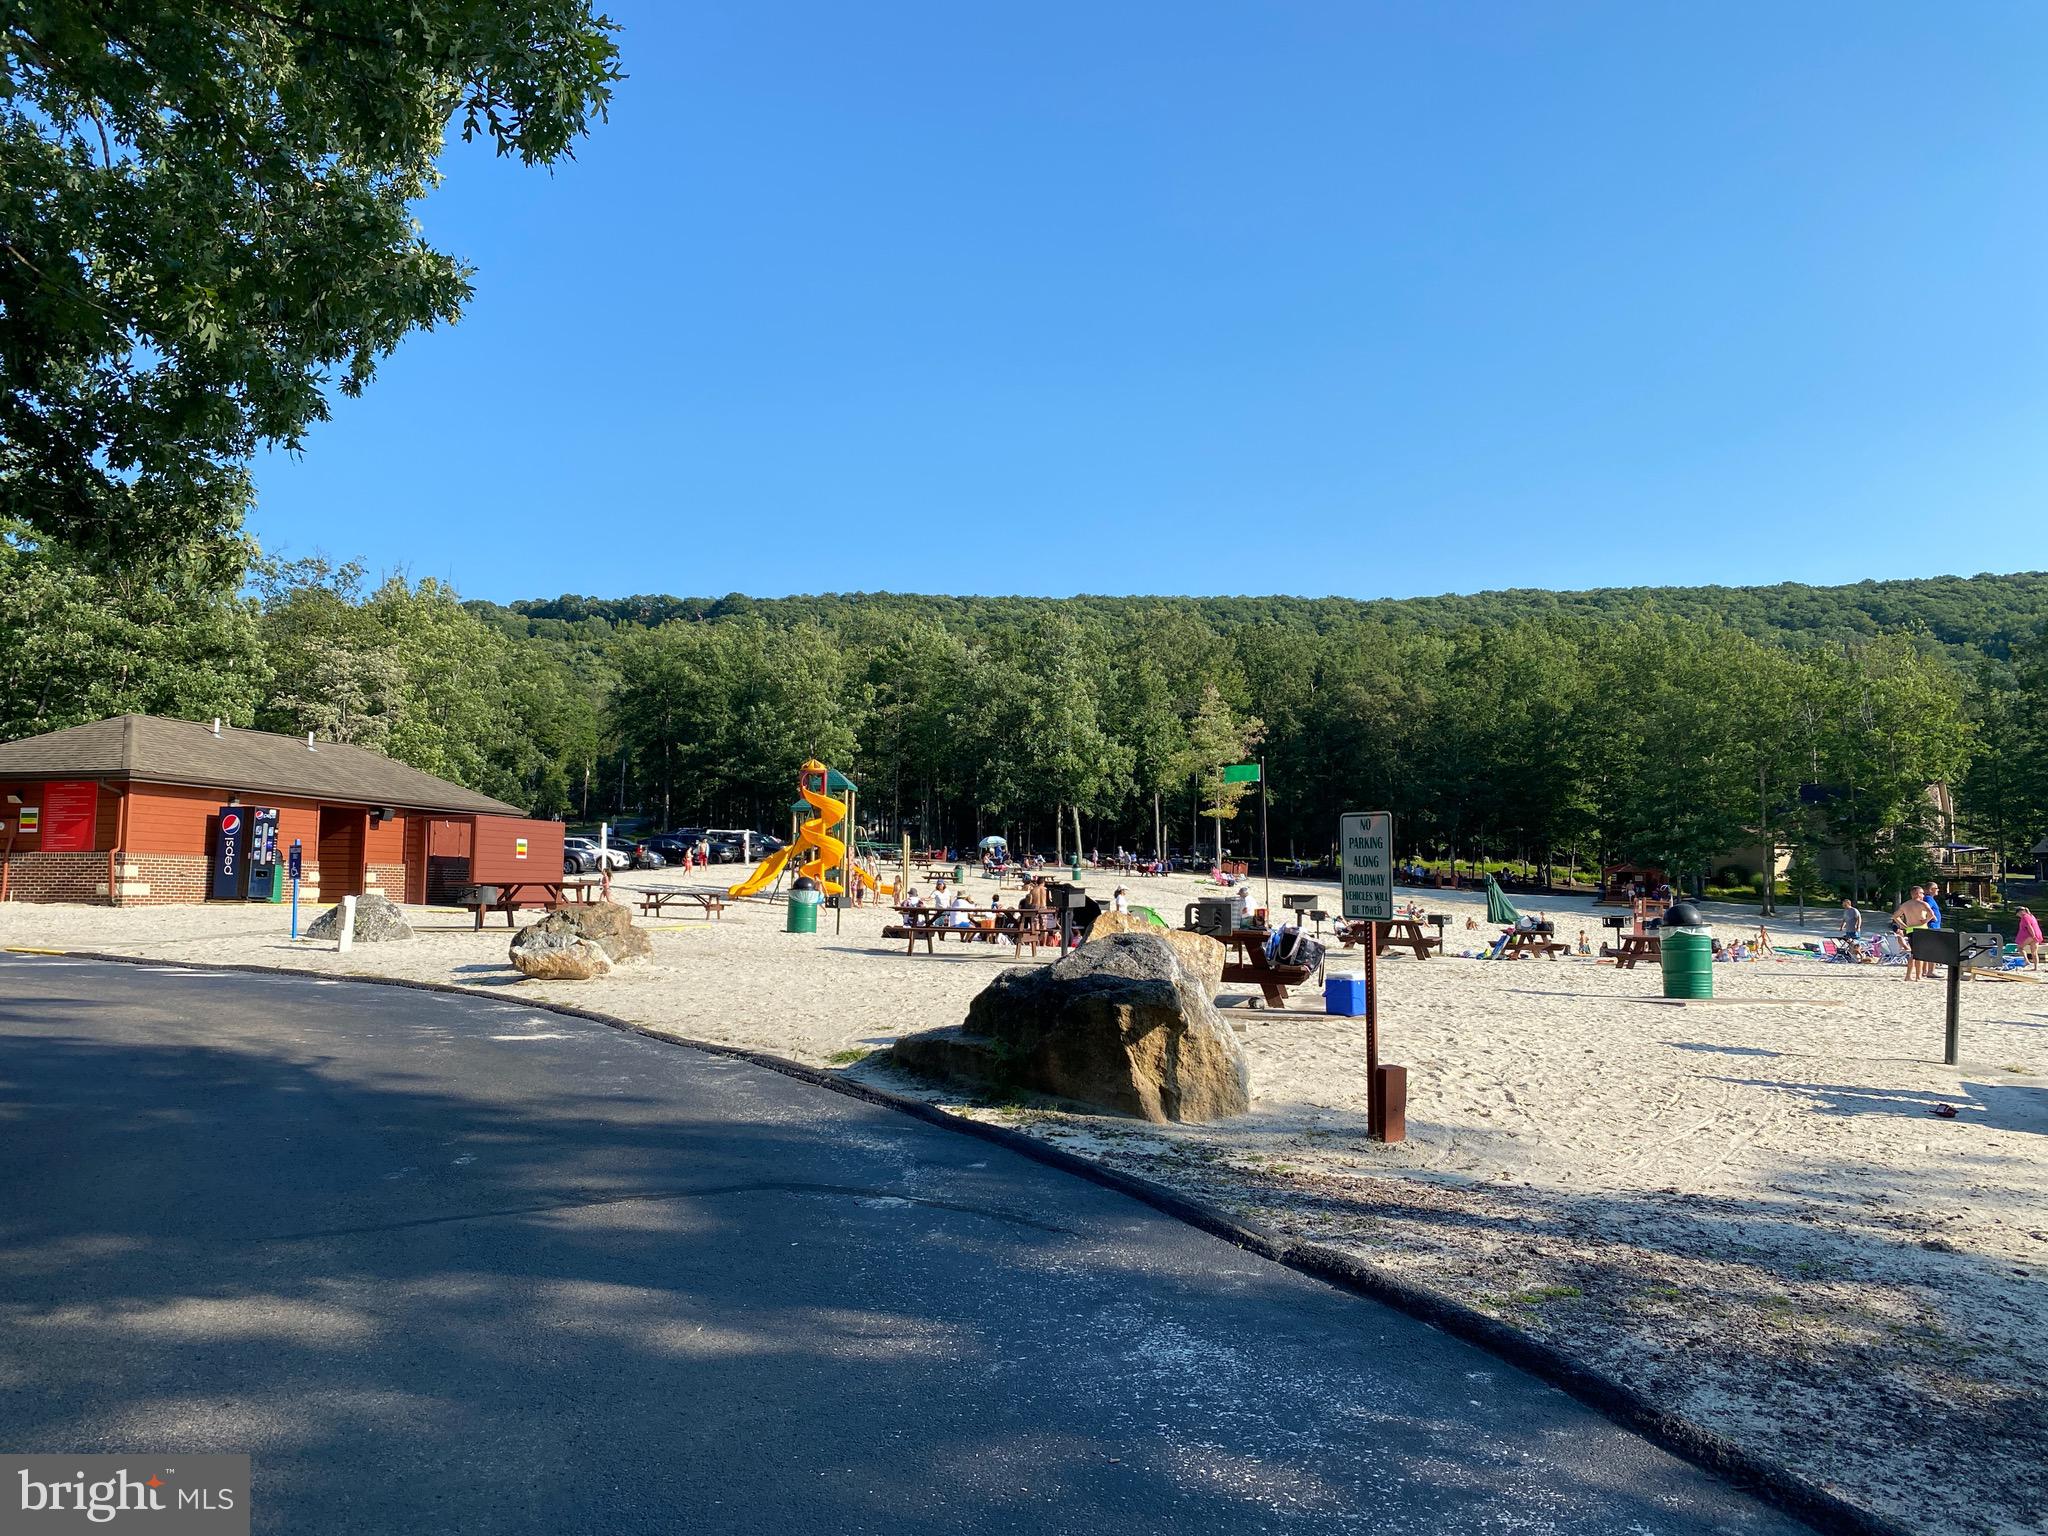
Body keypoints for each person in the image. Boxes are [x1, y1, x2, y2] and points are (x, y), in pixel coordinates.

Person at [1893, 887, 1935, 980]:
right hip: (1921, 929)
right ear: (1917, 894)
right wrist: (1925, 921)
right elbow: (1932, 914)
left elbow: (1895, 916)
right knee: (1919, 954)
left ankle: (1908, 976)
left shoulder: (1905, 905)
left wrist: (1904, 926)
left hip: (1910, 930)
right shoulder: (1922, 903)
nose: (1923, 895)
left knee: (1913, 953)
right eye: (1922, 893)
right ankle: (1918, 976)